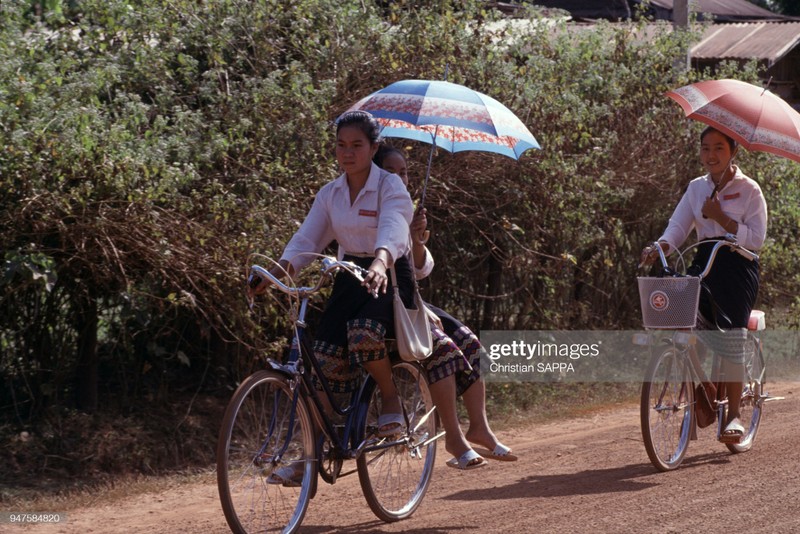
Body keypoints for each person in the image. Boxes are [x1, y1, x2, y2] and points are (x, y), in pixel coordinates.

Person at [374, 143, 517, 463]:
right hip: (392, 303)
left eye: (404, 172)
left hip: (412, 298)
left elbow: (421, 270)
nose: (400, 178)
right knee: (445, 351)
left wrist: (416, 239)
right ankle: (454, 438)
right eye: (390, 172)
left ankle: (480, 428)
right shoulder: (372, 209)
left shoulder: (404, 208)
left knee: (469, 340)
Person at [640, 126, 767, 443]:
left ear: (733, 151)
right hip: (704, 260)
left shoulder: (750, 190)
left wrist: (722, 218)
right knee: (679, 320)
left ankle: (735, 415)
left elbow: (757, 239)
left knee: (733, 336)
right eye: (706, 148)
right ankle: (707, 390)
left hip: (738, 265)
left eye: (719, 148)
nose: (711, 155)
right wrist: (661, 248)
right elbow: (678, 226)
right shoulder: (696, 188)